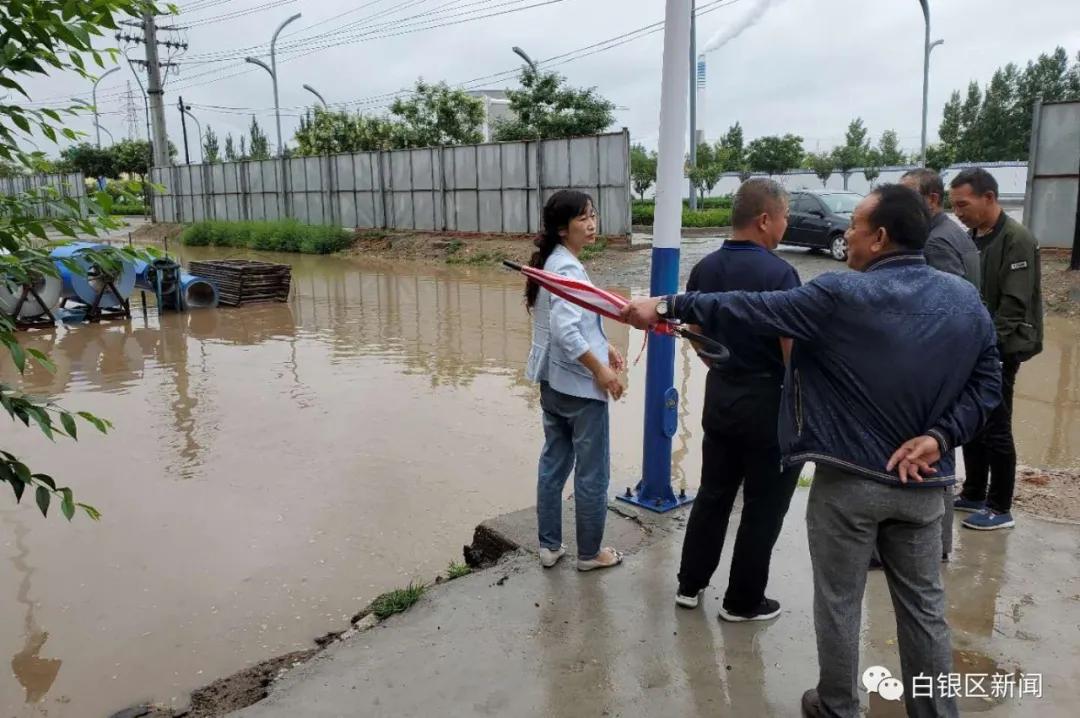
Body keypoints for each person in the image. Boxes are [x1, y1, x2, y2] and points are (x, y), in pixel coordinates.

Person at [621, 185, 1002, 718]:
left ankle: (838, 705)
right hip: (924, 485)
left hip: (850, 485)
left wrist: (663, 304)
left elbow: (748, 309)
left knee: (840, 601)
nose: (847, 233)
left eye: (856, 226)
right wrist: (941, 437)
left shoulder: (842, 295)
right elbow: (988, 386)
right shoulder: (965, 300)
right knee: (924, 610)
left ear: (882, 236)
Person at [673, 178, 803, 622]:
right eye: (784, 217)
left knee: (714, 493)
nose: (785, 226)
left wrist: (720, 366)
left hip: (722, 395)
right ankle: (743, 601)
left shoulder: (704, 268)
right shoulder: (780, 273)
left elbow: (693, 330)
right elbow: (792, 348)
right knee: (763, 505)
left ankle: (689, 584)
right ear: (765, 219)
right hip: (768, 402)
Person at [524, 190, 624, 572]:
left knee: (554, 462)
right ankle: (589, 553)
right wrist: (600, 370)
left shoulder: (553, 261)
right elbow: (567, 332)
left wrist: (606, 347)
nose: (592, 223)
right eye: (583, 218)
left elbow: (573, 325)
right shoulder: (566, 268)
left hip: (553, 386)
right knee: (592, 472)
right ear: (563, 229)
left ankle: (549, 546)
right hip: (581, 390)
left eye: (593, 215)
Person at [949, 168, 1043, 531]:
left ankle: (1000, 506)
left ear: (988, 198)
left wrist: (986, 349)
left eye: (963, 204)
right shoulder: (973, 237)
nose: (957, 211)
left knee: (996, 425)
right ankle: (973, 492)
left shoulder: (1016, 239)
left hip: (1000, 348)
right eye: (954, 204)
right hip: (976, 347)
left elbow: (1014, 307)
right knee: (973, 421)